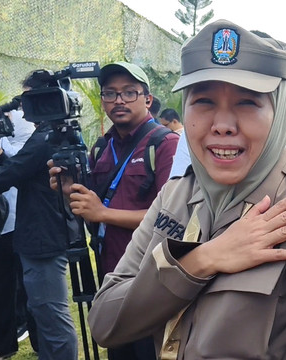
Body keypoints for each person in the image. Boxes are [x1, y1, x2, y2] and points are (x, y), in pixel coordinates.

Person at [86, 19, 286, 359]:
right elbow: (105, 322)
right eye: (204, 101)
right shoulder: (176, 197)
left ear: (280, 111)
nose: (222, 125)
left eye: (248, 102)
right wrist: (202, 260)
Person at [50, 61, 179, 360]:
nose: (118, 100)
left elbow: (171, 219)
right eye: (110, 93)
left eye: (129, 93)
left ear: (147, 99)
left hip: (151, 280)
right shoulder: (101, 148)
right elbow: (96, 202)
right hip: (110, 275)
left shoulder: (165, 144)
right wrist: (70, 187)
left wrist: (103, 214)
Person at [0, 73, 78, 360]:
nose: (25, 107)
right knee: (43, 311)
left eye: (30, 98)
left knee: (51, 314)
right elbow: (20, 171)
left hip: (43, 237)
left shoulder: (44, 137)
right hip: (43, 233)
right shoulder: (49, 133)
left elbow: (11, 174)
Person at [0, 91, 38, 359]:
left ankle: (16, 342)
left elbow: (15, 168)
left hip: (16, 223)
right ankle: (6, 342)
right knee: (5, 288)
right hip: (3, 222)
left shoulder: (23, 123)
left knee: (20, 289)